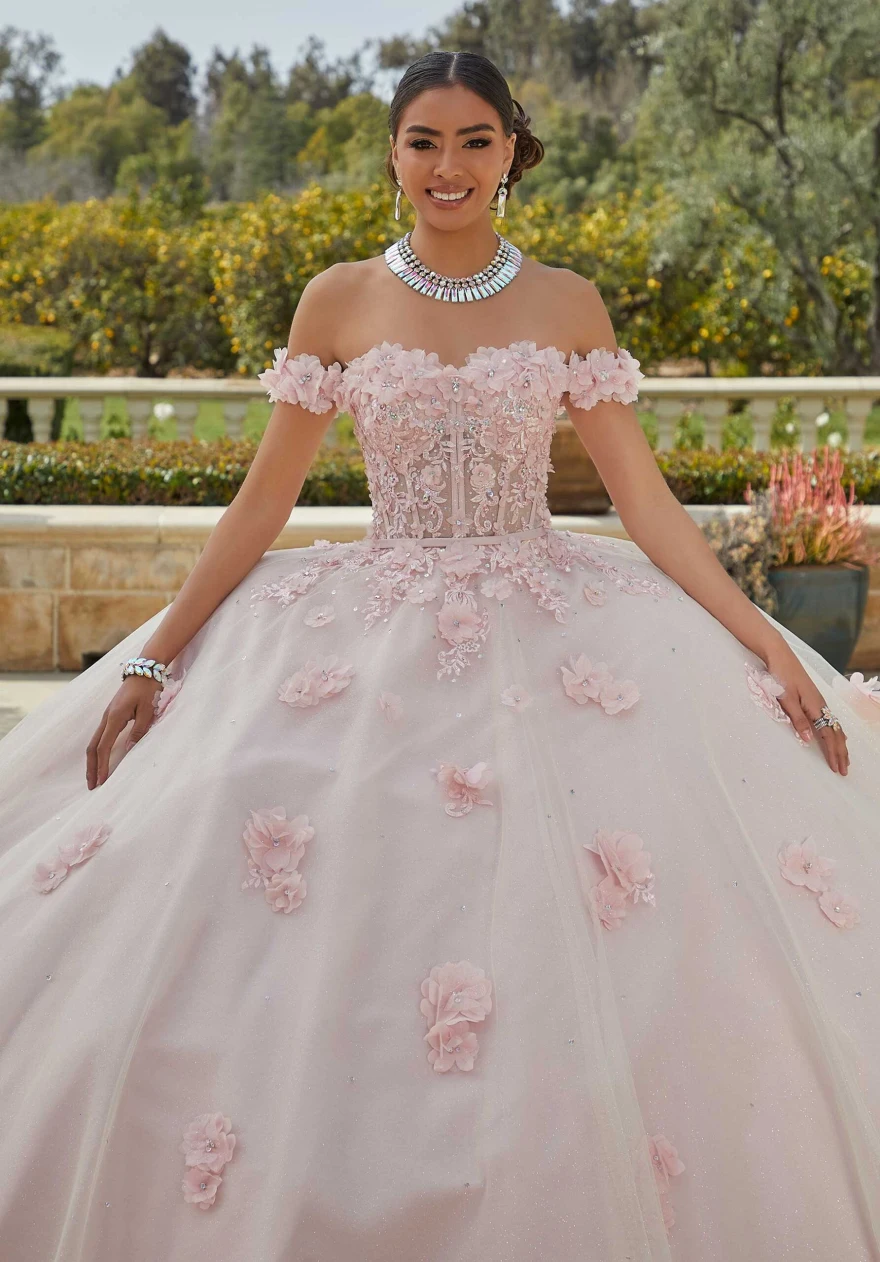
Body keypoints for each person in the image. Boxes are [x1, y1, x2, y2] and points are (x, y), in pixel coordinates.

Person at [1, 47, 879, 1262]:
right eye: (425, 141)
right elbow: (261, 507)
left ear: (513, 150)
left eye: (475, 140)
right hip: (373, 610)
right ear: (393, 154)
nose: (449, 165)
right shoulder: (340, 299)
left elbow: (645, 505)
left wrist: (763, 640)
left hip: (548, 612)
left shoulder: (568, 301)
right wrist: (155, 659)